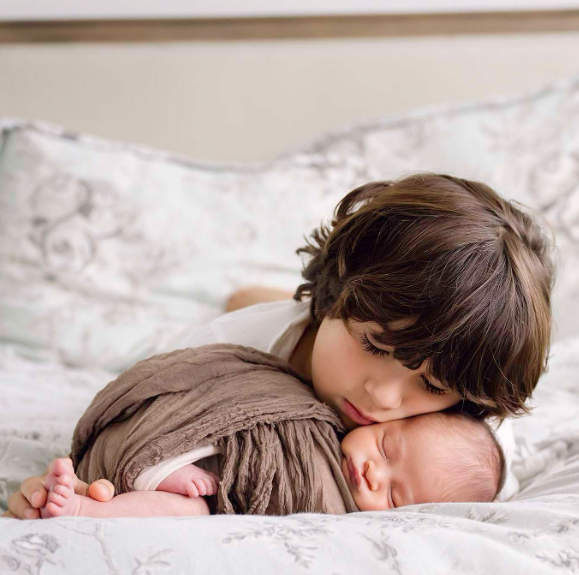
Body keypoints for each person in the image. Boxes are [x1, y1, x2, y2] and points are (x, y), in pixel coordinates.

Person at [4, 172, 553, 519]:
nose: (383, 397)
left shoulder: (465, 403)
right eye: (374, 345)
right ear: (333, 297)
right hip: (270, 329)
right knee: (249, 305)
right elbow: (144, 415)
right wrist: (71, 489)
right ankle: (255, 293)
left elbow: (488, 478)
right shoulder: (226, 352)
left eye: (429, 384)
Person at [38, 411, 505, 518]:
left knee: (191, 513)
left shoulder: (326, 494)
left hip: (194, 490)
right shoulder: (316, 417)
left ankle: (91, 509)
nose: (371, 473)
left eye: (393, 495)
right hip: (181, 443)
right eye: (385, 448)